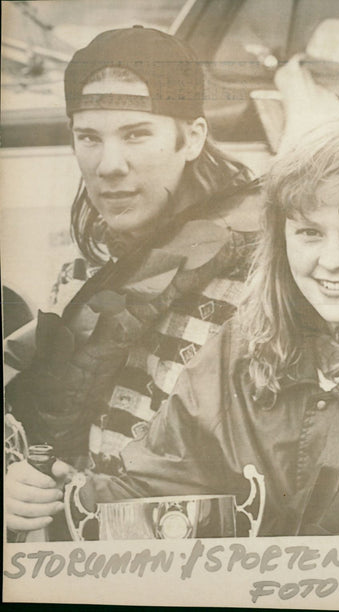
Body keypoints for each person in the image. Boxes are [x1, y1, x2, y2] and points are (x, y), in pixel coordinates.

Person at [5, 111, 339, 538]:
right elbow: (149, 485)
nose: (332, 261)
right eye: (310, 233)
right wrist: (44, 501)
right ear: (281, 239)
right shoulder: (240, 348)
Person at [4, 26, 263, 477]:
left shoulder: (257, 276)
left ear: (192, 139)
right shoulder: (79, 275)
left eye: (136, 134)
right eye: (88, 137)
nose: (109, 165)